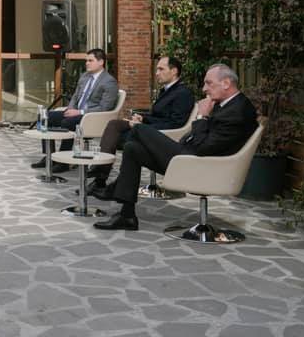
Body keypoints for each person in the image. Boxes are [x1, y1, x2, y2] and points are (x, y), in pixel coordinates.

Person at [94, 63, 258, 231]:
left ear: (226, 83)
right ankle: (127, 216)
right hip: (190, 158)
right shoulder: (225, 104)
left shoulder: (238, 111)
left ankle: (109, 183)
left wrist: (202, 117)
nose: (204, 89)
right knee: (132, 149)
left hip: (202, 167)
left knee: (138, 130)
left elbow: (203, 148)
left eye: (209, 83)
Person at [87, 56, 195, 199]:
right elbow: (159, 116)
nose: (157, 73)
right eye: (157, 69)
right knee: (114, 124)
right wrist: (143, 118)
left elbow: (176, 124)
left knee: (121, 139)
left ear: (174, 71)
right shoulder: (166, 90)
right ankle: (100, 175)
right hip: (151, 128)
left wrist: (144, 126)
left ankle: (102, 177)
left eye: (161, 69)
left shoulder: (183, 93)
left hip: (163, 136)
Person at [32, 49, 119, 173]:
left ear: (101, 62)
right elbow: (75, 96)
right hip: (76, 112)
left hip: (91, 117)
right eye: (86, 61)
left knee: (67, 122)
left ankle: (63, 162)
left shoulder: (109, 81)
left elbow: (105, 107)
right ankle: (49, 156)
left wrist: (80, 112)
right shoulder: (84, 76)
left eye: (90, 61)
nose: (87, 63)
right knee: (46, 116)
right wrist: (71, 108)